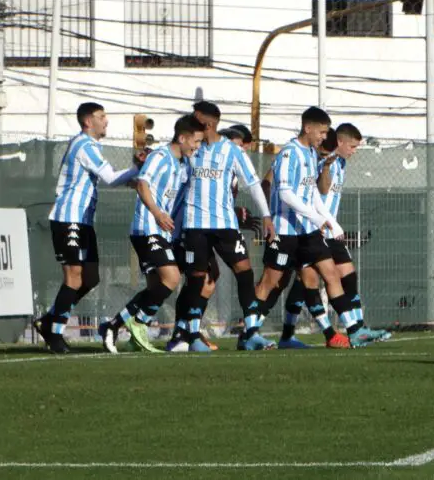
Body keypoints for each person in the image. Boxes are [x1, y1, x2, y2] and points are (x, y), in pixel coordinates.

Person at [270, 124, 391, 348]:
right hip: (311, 227)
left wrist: (332, 222)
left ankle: (355, 327)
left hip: (327, 226)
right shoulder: (312, 158)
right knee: (305, 280)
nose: (355, 151)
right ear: (340, 143)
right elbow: (319, 191)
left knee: (342, 275)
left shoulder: (340, 163)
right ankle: (321, 332)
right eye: (352, 146)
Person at [246, 106, 356, 351]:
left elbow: (313, 193)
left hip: (306, 231)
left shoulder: (310, 154)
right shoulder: (289, 154)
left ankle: (353, 330)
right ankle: (249, 332)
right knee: (271, 283)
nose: (322, 137)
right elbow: (284, 192)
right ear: (308, 128)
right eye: (321, 132)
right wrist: (272, 216)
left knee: (327, 274)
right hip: (285, 230)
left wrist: (327, 219)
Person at [34, 102, 140, 354]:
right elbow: (111, 178)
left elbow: (109, 178)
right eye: (101, 116)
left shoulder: (90, 146)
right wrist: (137, 168)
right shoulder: (85, 145)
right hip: (68, 218)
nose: (106, 121)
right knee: (74, 276)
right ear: (87, 122)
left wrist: (134, 178)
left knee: (91, 277)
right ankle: (55, 332)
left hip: (82, 220)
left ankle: (49, 320)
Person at [98, 114, 205, 353]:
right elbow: (142, 183)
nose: (197, 147)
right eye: (195, 142)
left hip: (162, 233)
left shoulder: (184, 164)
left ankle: (127, 329)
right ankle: (126, 324)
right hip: (147, 228)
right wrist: (157, 213)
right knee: (172, 278)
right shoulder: (160, 156)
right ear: (182, 137)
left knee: (157, 287)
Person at [179, 101, 275, 352]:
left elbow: (253, 183)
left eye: (196, 117)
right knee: (198, 278)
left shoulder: (232, 151)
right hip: (194, 225)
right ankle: (192, 335)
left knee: (244, 271)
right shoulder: (188, 147)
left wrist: (266, 215)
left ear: (208, 123)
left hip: (224, 224)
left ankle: (251, 332)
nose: (191, 120)